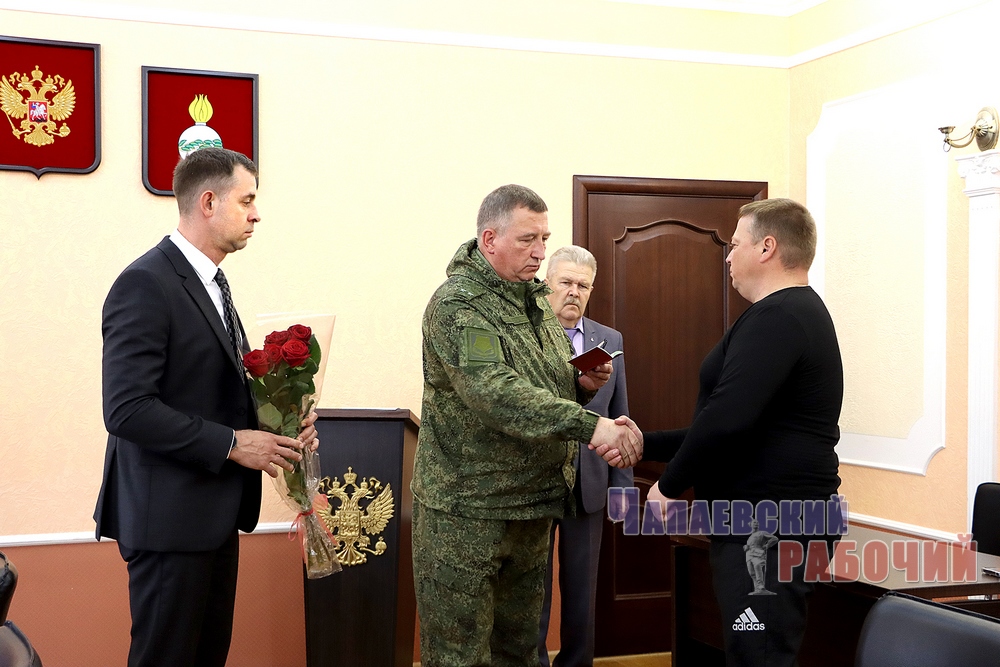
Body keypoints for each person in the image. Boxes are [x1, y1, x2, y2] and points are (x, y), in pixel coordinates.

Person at [94, 148, 317, 667]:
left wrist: (284, 422)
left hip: (213, 517)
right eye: (247, 200)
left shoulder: (214, 283)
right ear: (209, 202)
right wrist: (234, 444)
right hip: (168, 523)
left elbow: (213, 391)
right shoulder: (146, 283)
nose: (256, 214)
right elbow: (126, 408)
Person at [600, 198, 843, 667]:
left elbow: (727, 420)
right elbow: (731, 424)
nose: (728, 256)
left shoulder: (781, 315)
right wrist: (645, 443)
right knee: (750, 650)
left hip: (770, 527)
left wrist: (669, 485)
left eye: (735, 244)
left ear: (767, 248)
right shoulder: (784, 313)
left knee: (759, 656)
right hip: (763, 522)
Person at [411, 184, 641, 667]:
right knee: (461, 656)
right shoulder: (460, 306)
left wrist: (581, 384)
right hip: (470, 515)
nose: (540, 252)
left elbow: (546, 381)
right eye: (527, 240)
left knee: (519, 653)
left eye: (544, 239)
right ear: (489, 239)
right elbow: (494, 392)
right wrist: (591, 426)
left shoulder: (534, 300)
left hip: (532, 509)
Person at [537, 246, 632, 667]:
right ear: (547, 284)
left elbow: (620, 413)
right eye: (566, 282)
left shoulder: (610, 340)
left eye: (583, 285)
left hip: (589, 484)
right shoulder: (526, 335)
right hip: (534, 482)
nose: (574, 292)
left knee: (582, 592)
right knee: (531, 592)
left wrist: (622, 488)